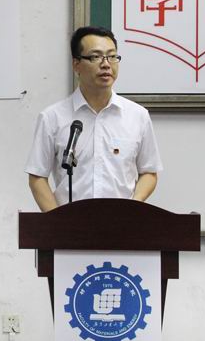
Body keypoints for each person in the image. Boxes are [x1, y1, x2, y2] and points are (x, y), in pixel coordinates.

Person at [25, 26, 162, 212]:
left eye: (112, 56)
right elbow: (37, 177)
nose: (106, 64)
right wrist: (57, 222)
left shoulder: (137, 116)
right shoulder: (52, 117)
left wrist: (132, 207)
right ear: (76, 64)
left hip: (122, 224)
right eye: (96, 57)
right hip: (70, 225)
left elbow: (149, 172)